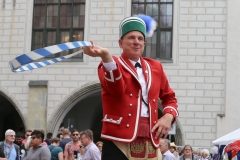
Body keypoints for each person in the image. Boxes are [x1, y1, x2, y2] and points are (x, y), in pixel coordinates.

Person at [83, 14, 178, 159]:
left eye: (140, 39)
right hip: (118, 139)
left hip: (150, 138)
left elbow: (169, 97)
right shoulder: (110, 64)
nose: (136, 42)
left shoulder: (156, 67)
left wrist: (168, 116)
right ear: (120, 43)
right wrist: (106, 57)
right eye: (131, 38)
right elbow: (116, 90)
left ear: (144, 44)